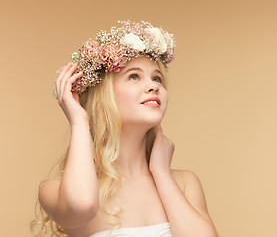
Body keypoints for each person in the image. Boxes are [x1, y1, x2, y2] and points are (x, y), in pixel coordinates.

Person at [30, 20, 220, 237]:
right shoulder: (55, 190)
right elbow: (81, 206)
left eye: (157, 78)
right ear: (103, 96)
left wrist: (161, 174)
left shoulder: (184, 183)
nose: (154, 86)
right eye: (134, 76)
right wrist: (79, 120)